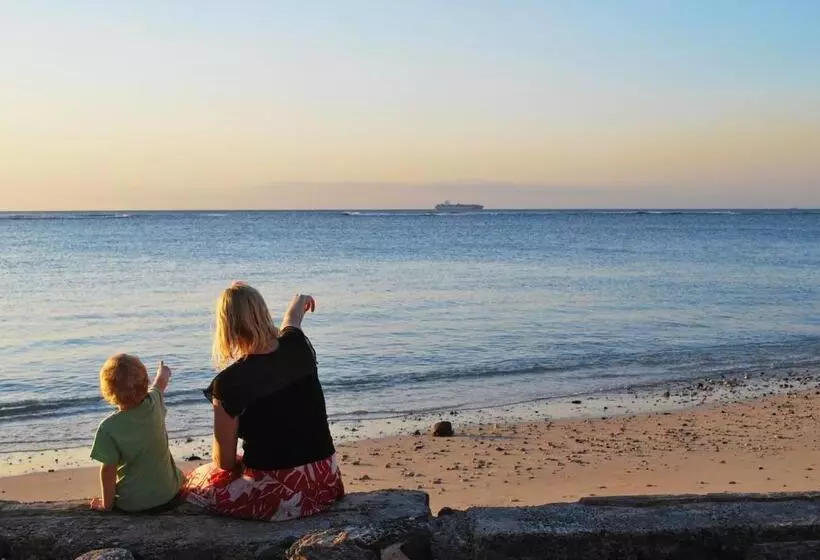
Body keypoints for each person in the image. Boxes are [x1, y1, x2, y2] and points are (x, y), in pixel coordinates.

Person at [183, 282, 344, 520]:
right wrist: (301, 298)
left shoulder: (228, 383)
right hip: (325, 482)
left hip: (280, 497)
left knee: (195, 482)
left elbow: (225, 462)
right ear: (263, 313)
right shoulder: (297, 345)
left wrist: (240, 463)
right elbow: (293, 319)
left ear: (226, 327)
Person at [90, 354, 184, 512]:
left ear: (107, 391)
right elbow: (160, 383)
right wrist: (163, 371)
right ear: (145, 382)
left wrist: (106, 506)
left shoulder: (108, 428)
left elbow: (108, 471)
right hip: (170, 494)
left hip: (133, 504)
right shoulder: (154, 401)